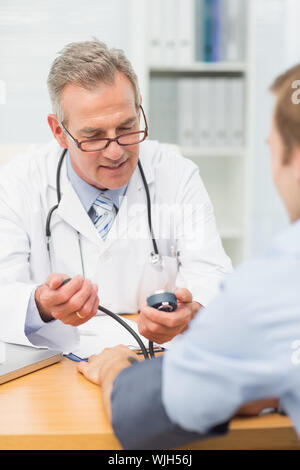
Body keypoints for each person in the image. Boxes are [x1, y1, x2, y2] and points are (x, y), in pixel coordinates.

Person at [77, 63, 300, 450]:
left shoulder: (275, 290)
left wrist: (116, 365)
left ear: (293, 160)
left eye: (271, 145)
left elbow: (141, 415)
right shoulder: (23, 179)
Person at [0, 39, 231, 351]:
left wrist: (193, 313)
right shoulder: (18, 181)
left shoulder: (176, 174)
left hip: (155, 359)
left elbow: (212, 272)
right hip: (54, 364)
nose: (116, 151)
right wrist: (41, 303)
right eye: (93, 136)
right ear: (59, 132)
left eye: (126, 128)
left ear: (139, 110)